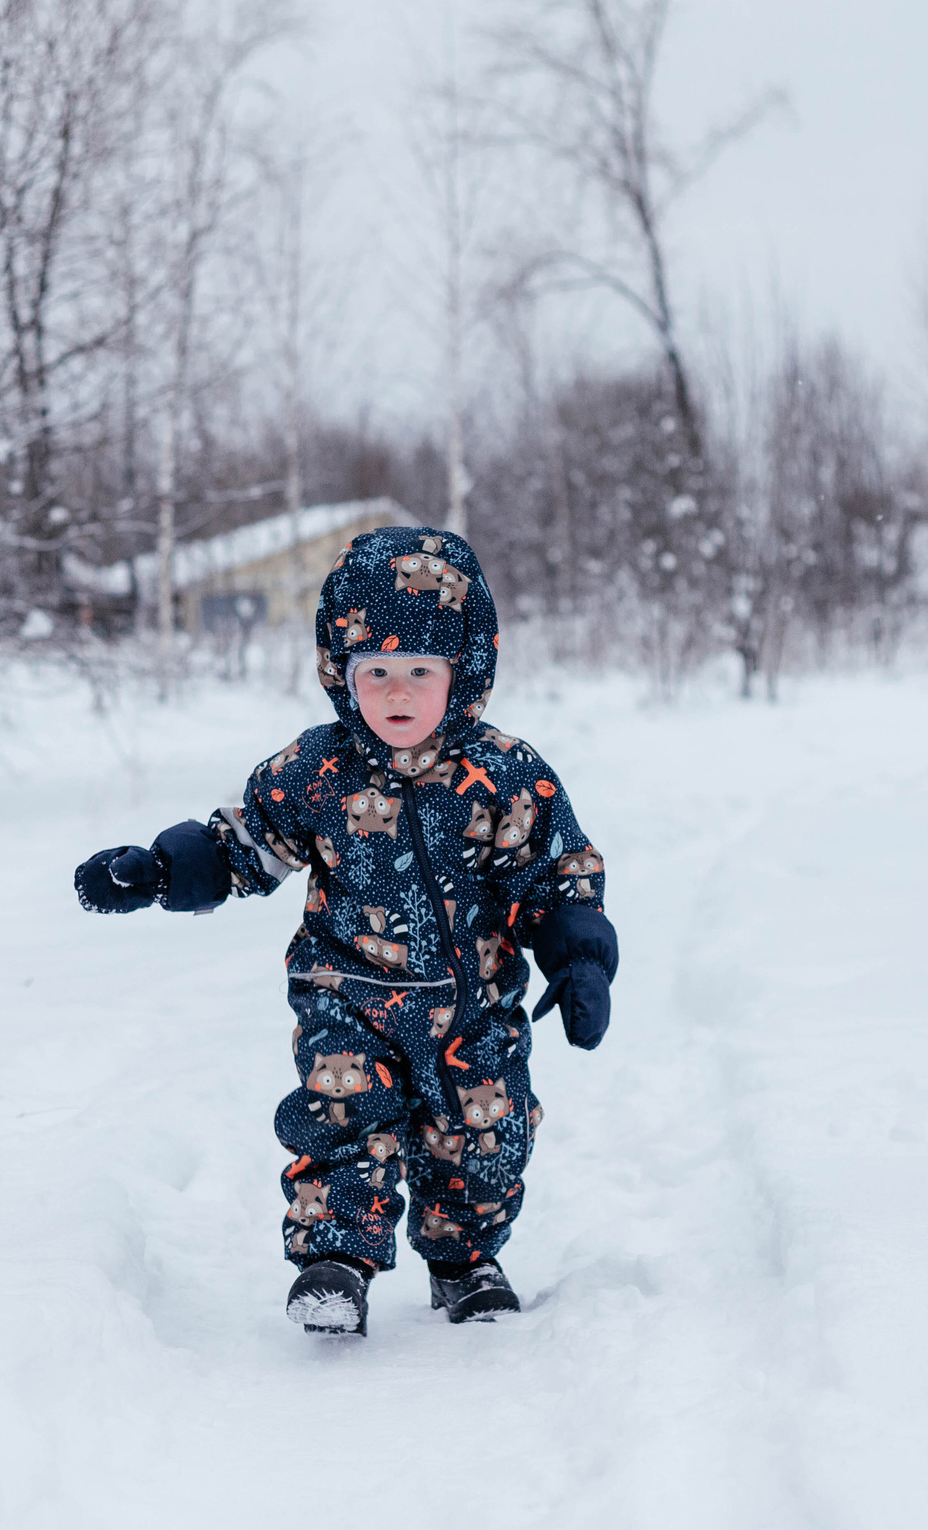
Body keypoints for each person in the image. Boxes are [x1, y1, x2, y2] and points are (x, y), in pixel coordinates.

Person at [74, 524, 617, 1336]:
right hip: (346, 994)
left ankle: (465, 1259)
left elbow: (553, 876)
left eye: (420, 672)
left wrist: (579, 958)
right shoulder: (319, 771)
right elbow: (245, 840)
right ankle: (336, 1258)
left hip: (472, 1006)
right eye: (378, 672)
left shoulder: (507, 774)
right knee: (341, 1118)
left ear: (462, 672)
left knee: (485, 1137)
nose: (398, 692)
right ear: (343, 671)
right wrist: (161, 869)